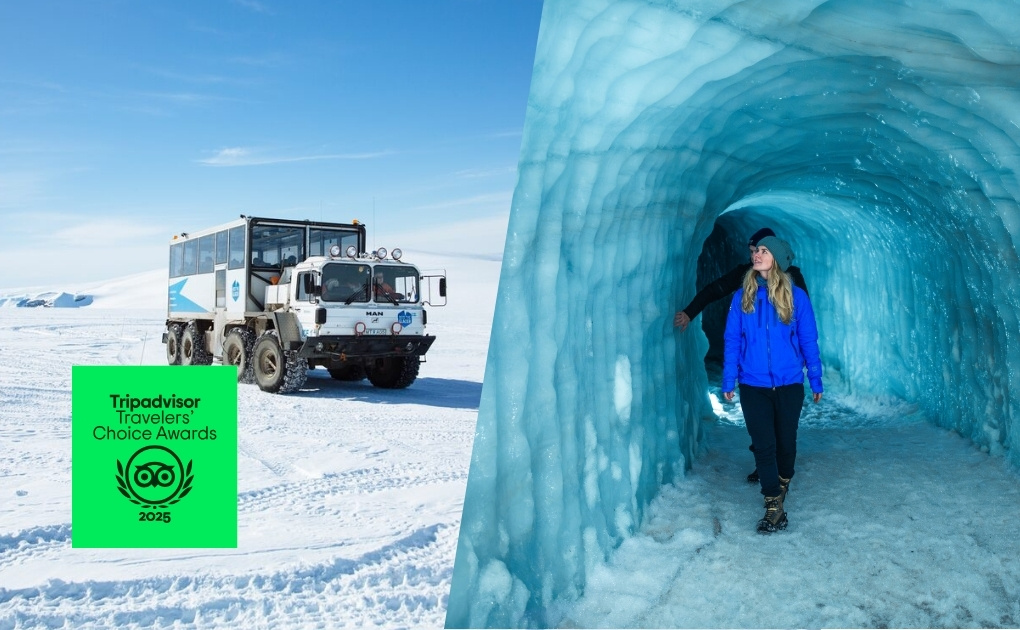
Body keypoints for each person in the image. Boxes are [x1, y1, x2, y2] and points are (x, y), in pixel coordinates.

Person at [674, 226, 810, 483]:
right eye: (750, 251)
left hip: (784, 372)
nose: (753, 257)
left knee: (783, 432)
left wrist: (804, 362)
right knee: (762, 428)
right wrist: (690, 312)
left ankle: (779, 473)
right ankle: (766, 466)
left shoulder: (792, 278)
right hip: (755, 372)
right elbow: (715, 289)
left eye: (758, 251)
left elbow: (804, 319)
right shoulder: (745, 275)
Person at [721, 236, 823, 533]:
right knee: (764, 446)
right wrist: (729, 378)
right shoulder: (743, 297)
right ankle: (773, 506)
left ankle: (783, 480)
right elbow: (732, 341)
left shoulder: (796, 297)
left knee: (785, 445)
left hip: (789, 383)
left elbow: (808, 340)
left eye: (764, 252)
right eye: (756, 251)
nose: (757, 255)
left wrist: (814, 378)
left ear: (776, 259)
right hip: (753, 384)